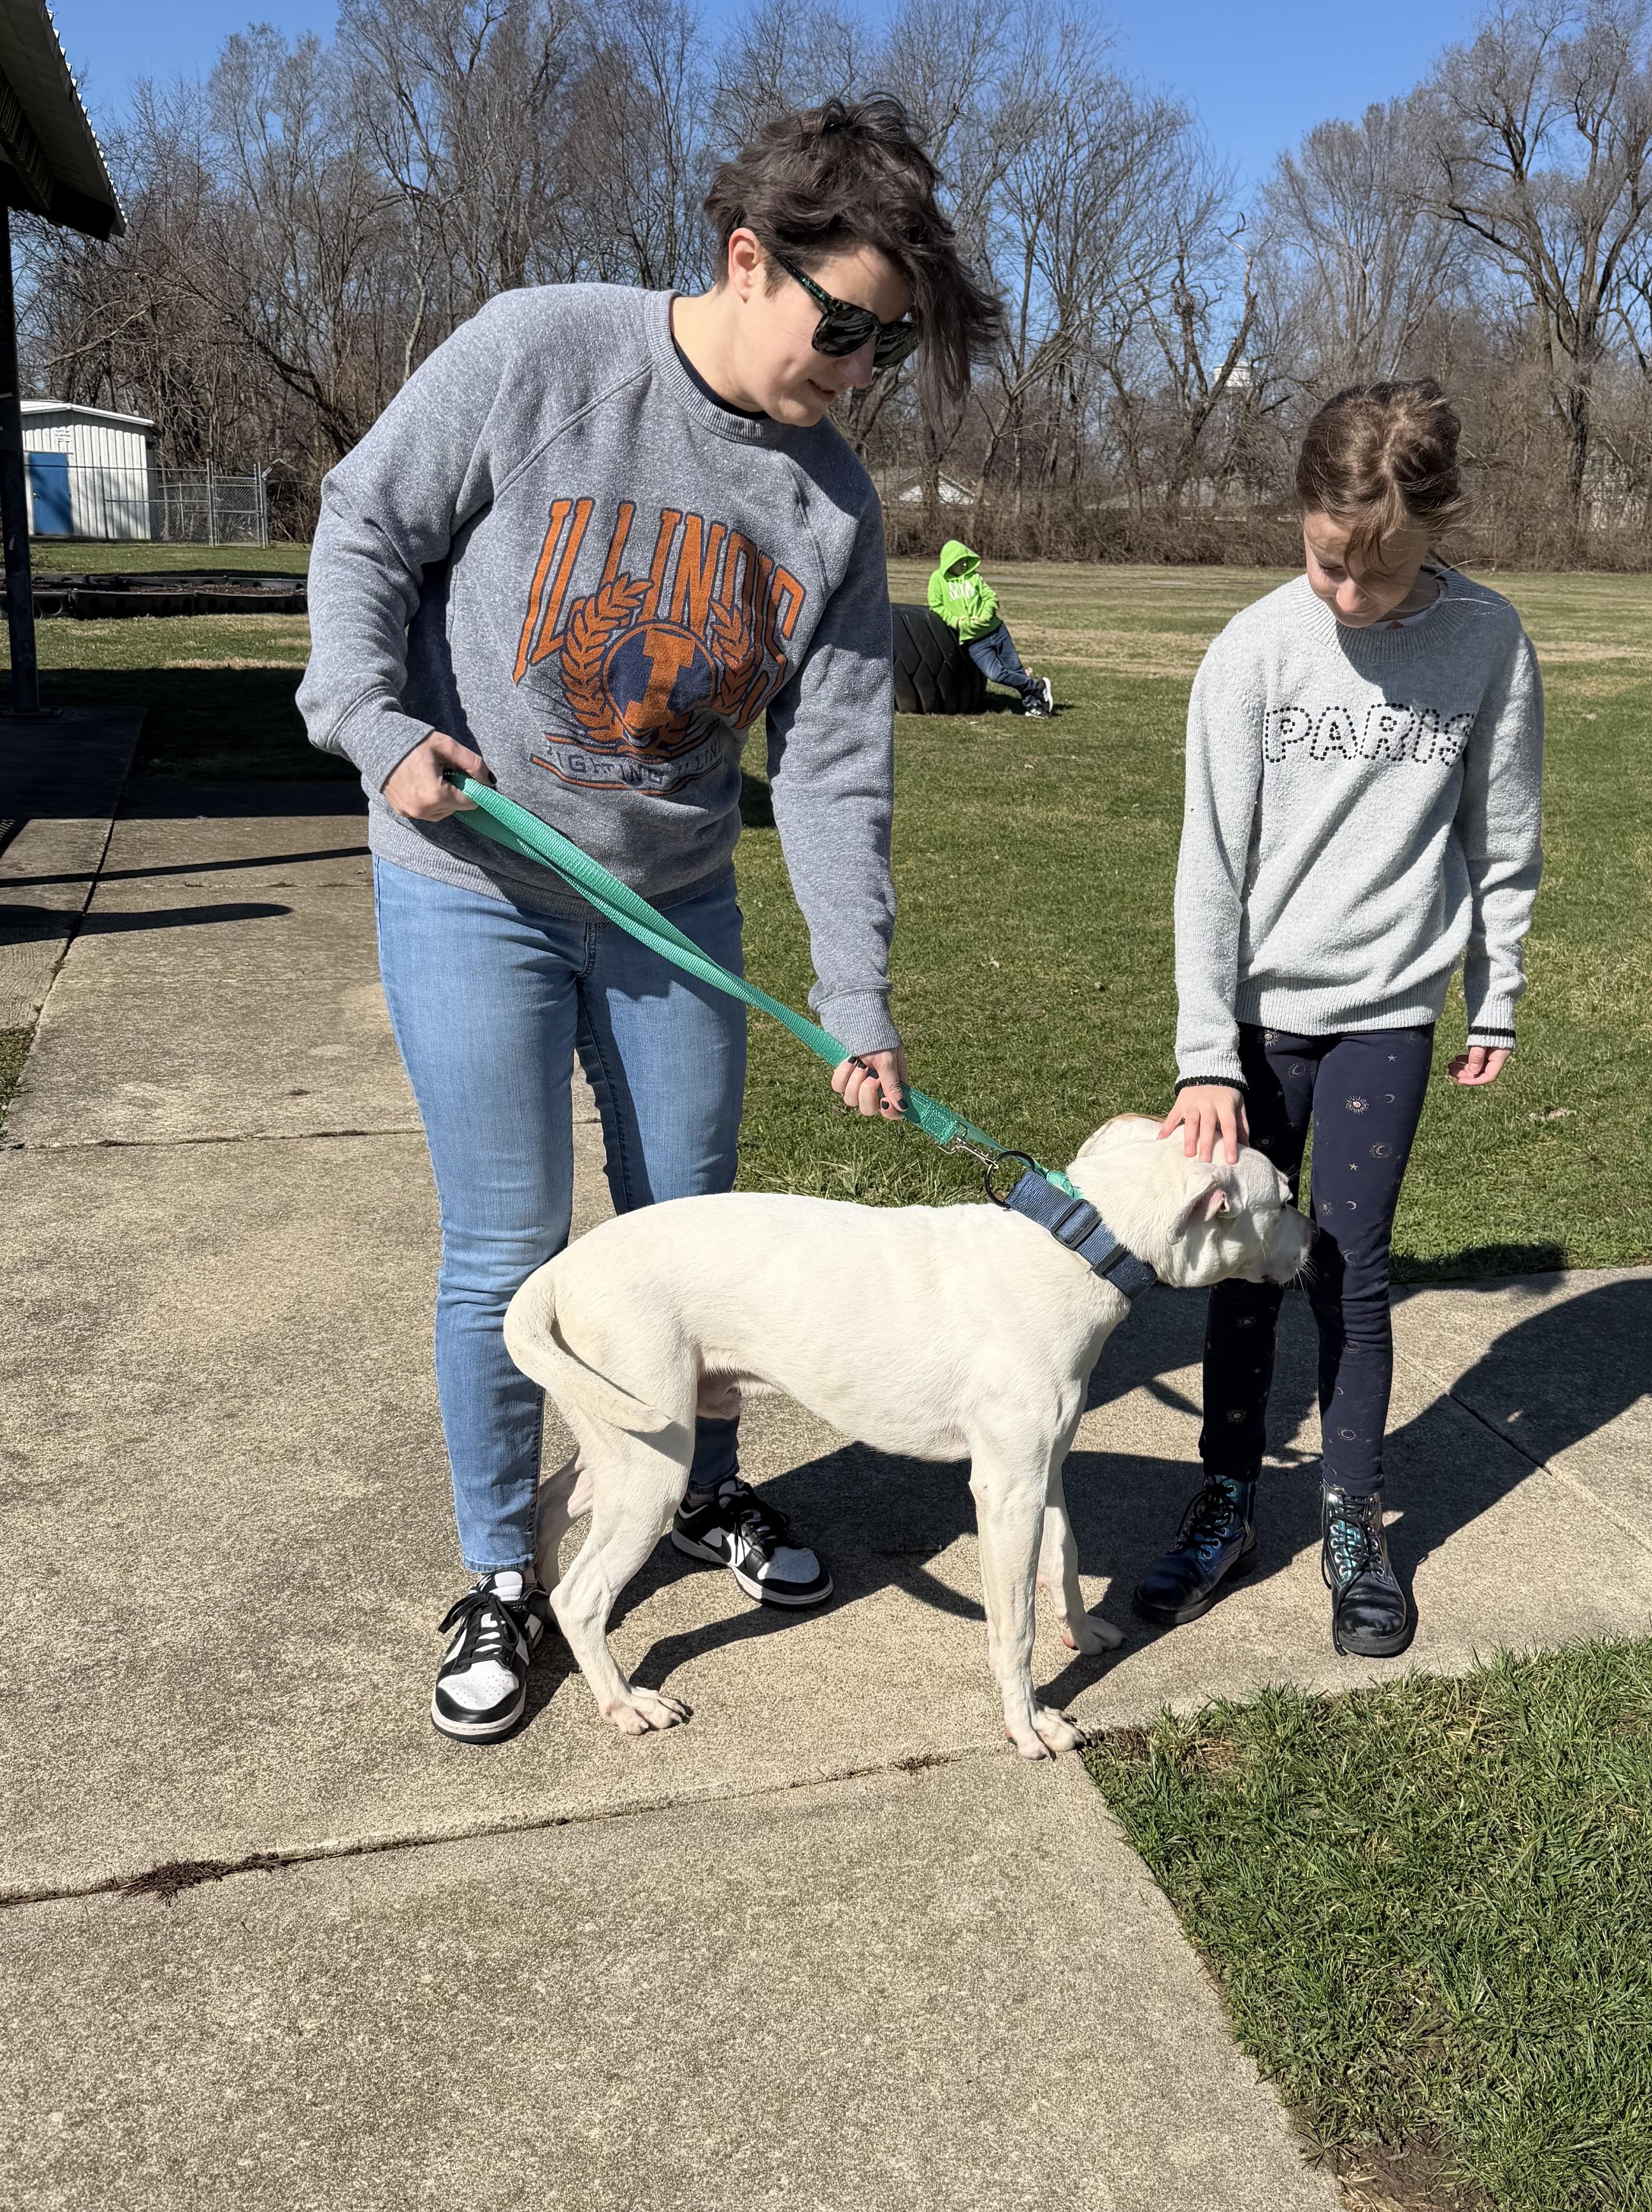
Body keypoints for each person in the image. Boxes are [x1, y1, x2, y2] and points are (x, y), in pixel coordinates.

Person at [297, 99, 1001, 1743]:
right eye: (845, 331)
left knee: (702, 1232)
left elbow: (831, 769)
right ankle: (499, 1564)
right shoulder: (539, 353)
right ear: (747, 261)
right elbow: (365, 526)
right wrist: (375, 724)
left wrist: (858, 994)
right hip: (473, 884)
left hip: (672, 911)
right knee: (509, 1247)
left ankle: (691, 1487)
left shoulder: (831, 506)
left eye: (888, 348)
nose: (858, 375)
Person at [1132, 379, 1544, 1658]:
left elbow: (1502, 834)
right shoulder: (1254, 651)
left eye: (1386, 570)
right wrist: (1207, 1055)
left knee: (1349, 1261)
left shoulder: (1487, 640)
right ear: (1302, 518)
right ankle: (1226, 1504)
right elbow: (1209, 867)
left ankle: (1354, 1517)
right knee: (1243, 1261)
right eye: (1329, 564)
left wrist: (1497, 990)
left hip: (1388, 1011)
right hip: (1258, 1026)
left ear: (1439, 530)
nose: (1355, 596)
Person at [927, 540, 1054, 714]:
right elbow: (936, 605)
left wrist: (986, 615)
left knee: (1015, 669)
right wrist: (957, 622)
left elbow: (991, 597)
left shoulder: (974, 577)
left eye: (966, 561)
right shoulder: (937, 579)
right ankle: (1037, 686)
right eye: (960, 561)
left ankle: (1033, 706)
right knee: (995, 674)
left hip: (997, 631)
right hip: (974, 641)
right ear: (950, 561)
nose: (964, 565)